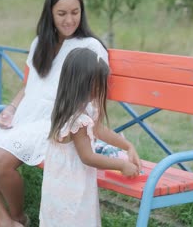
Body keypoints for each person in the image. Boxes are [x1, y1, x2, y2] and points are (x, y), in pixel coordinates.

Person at [0, 0, 110, 227]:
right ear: (50, 13)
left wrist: (91, 131)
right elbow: (30, 85)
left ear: (82, 11)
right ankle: (5, 221)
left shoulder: (90, 47)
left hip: (57, 123)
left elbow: (96, 96)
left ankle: (18, 216)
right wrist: (12, 108)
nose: (69, 20)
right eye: (61, 14)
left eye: (75, 12)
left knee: (0, 159)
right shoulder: (40, 43)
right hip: (26, 115)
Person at [39, 48, 142, 226]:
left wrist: (128, 146)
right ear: (86, 83)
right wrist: (122, 165)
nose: (104, 87)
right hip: (71, 188)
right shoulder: (78, 120)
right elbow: (88, 157)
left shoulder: (70, 106)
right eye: (100, 83)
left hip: (60, 182)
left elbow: (99, 129)